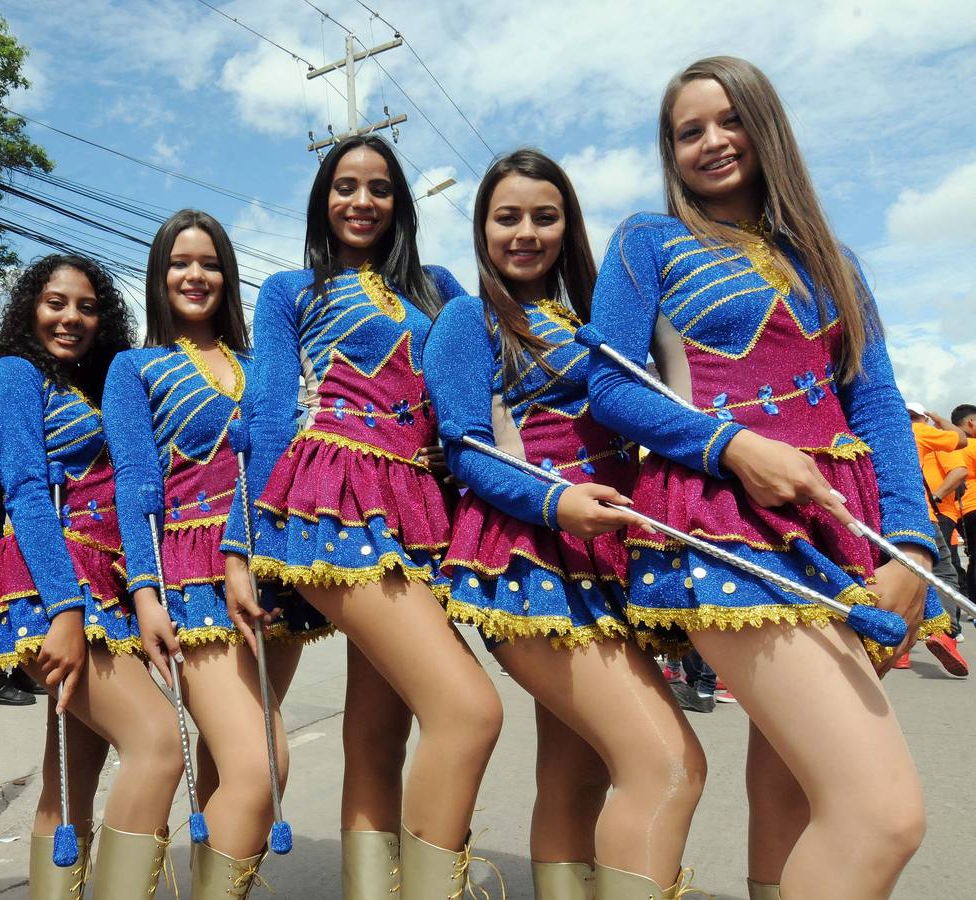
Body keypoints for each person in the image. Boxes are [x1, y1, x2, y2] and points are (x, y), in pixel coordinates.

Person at [587, 57, 946, 900]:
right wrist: (731, 446)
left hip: (843, 534)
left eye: (728, 120)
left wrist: (908, 540)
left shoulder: (831, 258)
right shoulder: (650, 240)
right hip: (726, 524)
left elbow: (877, 402)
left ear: (765, 125)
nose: (712, 142)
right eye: (688, 131)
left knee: (794, 790)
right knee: (881, 814)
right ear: (668, 151)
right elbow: (607, 384)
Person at [424, 148, 706, 900]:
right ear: (480, 228)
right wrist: (557, 503)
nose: (524, 232)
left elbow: (672, 399)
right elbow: (464, 451)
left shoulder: (597, 318)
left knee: (573, 772)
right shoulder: (467, 317)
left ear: (567, 225)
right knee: (665, 764)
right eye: (505, 217)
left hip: (611, 556)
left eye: (543, 217)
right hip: (525, 558)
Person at [227, 134, 504, 898]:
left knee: (379, 739)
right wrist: (237, 546)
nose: (360, 200)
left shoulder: (439, 287)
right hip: (330, 499)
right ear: (322, 198)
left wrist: (462, 450)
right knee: (469, 710)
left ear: (398, 203)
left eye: (378, 187)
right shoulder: (290, 289)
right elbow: (269, 412)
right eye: (344, 186)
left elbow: (466, 396)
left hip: (421, 511)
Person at [102, 210, 326, 897]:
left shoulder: (266, 364)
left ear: (227, 275)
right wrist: (144, 592)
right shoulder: (134, 368)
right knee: (262, 765)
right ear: (158, 275)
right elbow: (135, 484)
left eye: (207, 263)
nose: (194, 275)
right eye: (179, 262)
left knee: (234, 765)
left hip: (270, 568)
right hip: (191, 573)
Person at [0, 253, 183, 897]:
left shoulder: (89, 388)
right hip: (52, 584)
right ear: (28, 309)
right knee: (157, 745)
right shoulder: (12, 375)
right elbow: (27, 493)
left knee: (68, 782)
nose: (71, 318)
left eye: (87, 307)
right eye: (55, 302)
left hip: (103, 585)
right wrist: (66, 610)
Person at [905, 403, 969, 673]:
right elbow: (961, 440)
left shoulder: (873, 432)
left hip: (882, 515)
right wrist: (938, 418)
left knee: (904, 577)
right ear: (919, 417)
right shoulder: (919, 431)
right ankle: (944, 633)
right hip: (922, 513)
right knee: (944, 573)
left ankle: (900, 651)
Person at [952, 402, 976, 607]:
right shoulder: (972, 445)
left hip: (960, 510)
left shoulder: (948, 445)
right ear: (970, 422)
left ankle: (973, 602)